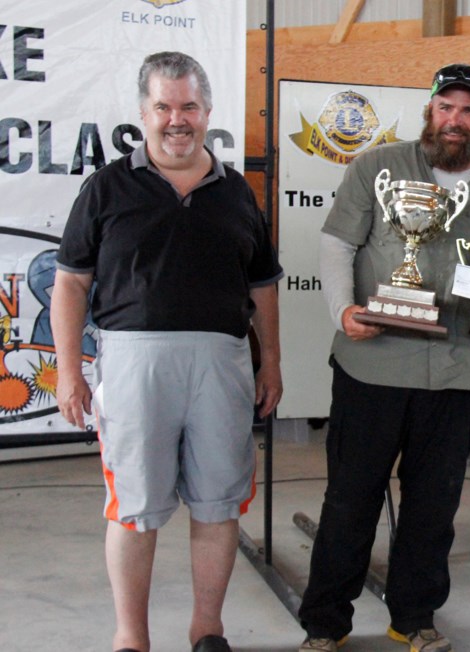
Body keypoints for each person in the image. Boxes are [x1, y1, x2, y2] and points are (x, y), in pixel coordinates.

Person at [297, 63, 470, 652]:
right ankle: (326, 625)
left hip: (457, 371)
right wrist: (341, 311)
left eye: (469, 110)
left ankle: (415, 617)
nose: (456, 120)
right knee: (351, 502)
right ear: (431, 111)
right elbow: (337, 243)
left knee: (433, 508)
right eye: (446, 107)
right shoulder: (377, 167)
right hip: (374, 364)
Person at [51, 51, 283, 652]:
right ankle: (132, 638)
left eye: (188, 107)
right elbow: (71, 283)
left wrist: (274, 363)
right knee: (134, 507)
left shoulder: (236, 192)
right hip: (132, 365)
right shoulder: (106, 188)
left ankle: (208, 630)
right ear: (142, 113)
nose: (176, 119)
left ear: (207, 112)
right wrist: (69, 371)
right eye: (163, 107)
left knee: (219, 503)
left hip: (222, 365)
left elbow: (262, 287)